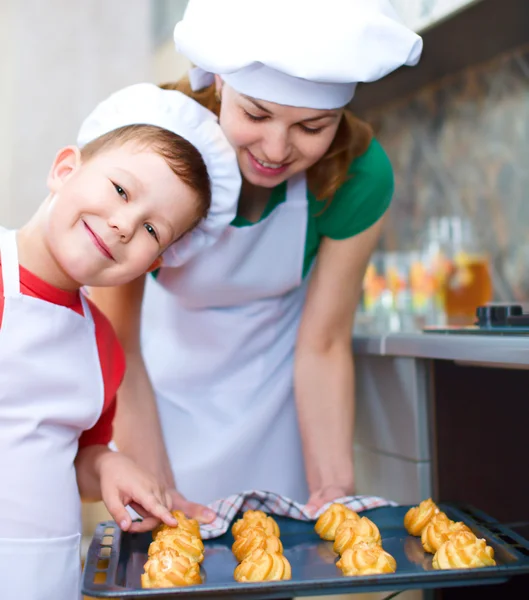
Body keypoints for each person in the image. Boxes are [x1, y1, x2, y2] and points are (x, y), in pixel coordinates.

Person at [89, 0, 423, 522]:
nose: (275, 148)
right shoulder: (153, 150)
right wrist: (154, 487)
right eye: (256, 114)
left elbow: (324, 343)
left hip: (280, 413)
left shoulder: (358, 174)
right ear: (219, 83)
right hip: (156, 404)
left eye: (312, 127)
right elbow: (116, 340)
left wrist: (333, 487)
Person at [0, 83, 240, 600]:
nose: (124, 225)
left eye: (154, 230)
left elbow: (70, 461)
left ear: (153, 265)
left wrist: (107, 464)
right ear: (65, 169)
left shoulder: (101, 344)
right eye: (122, 190)